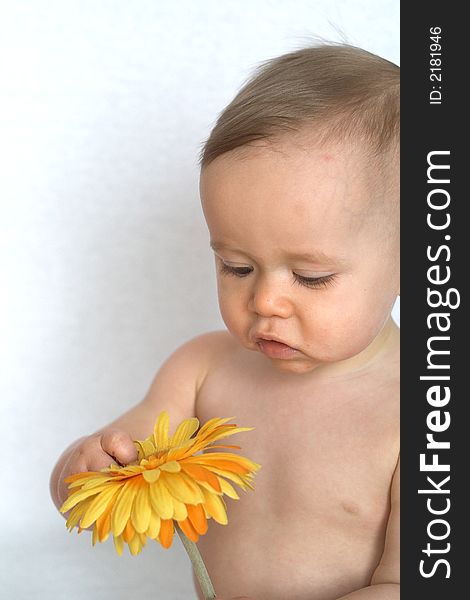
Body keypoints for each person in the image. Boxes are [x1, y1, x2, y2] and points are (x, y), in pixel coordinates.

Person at [50, 43, 400, 600]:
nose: (265, 301)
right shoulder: (202, 371)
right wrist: (85, 466)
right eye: (236, 266)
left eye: (310, 277)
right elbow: (102, 479)